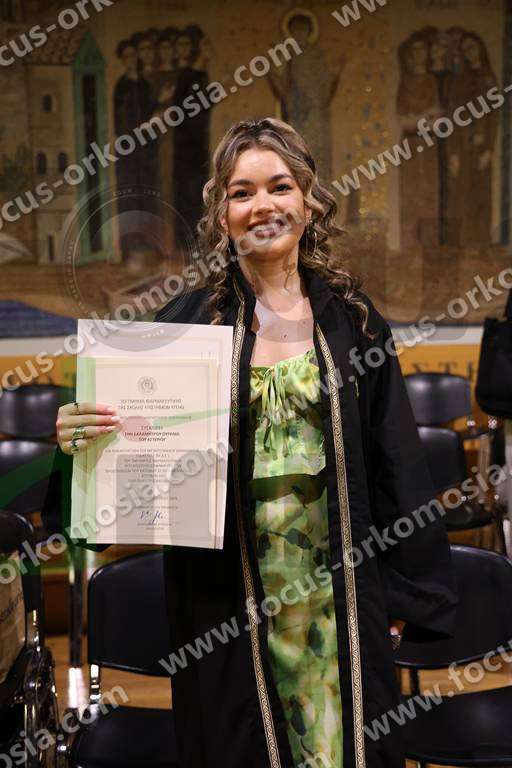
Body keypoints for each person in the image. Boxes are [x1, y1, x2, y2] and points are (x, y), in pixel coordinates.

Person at [43, 117, 457, 768]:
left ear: (308, 202)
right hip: (225, 604)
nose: (263, 205)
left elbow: (397, 462)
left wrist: (402, 600)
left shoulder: (354, 323)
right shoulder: (185, 326)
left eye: (280, 186)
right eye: (242, 192)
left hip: (339, 603)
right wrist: (80, 443)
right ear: (222, 215)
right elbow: (124, 465)